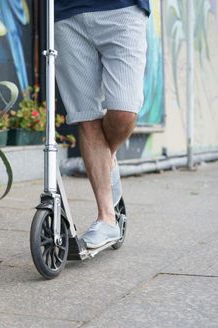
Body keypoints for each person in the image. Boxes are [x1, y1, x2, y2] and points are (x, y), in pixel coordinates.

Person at [54, 0, 150, 248]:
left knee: (124, 112)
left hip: (123, 9)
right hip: (67, 12)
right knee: (86, 117)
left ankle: (109, 159)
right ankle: (107, 219)